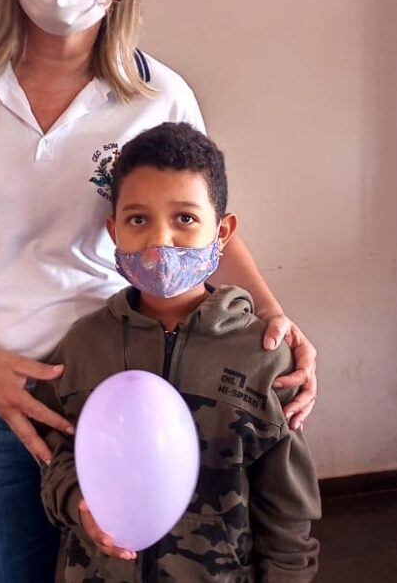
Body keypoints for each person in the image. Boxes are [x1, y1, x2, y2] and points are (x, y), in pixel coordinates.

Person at [0, 0, 318, 581]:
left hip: (125, 393)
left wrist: (273, 317)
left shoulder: (159, 94)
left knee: (122, 567)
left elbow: (198, 221)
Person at [36, 122, 321, 582]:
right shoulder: (83, 346)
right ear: (113, 230)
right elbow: (54, 452)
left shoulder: (264, 359)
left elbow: (288, 514)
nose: (160, 240)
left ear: (222, 231)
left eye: (185, 218)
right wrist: (77, 503)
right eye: (138, 220)